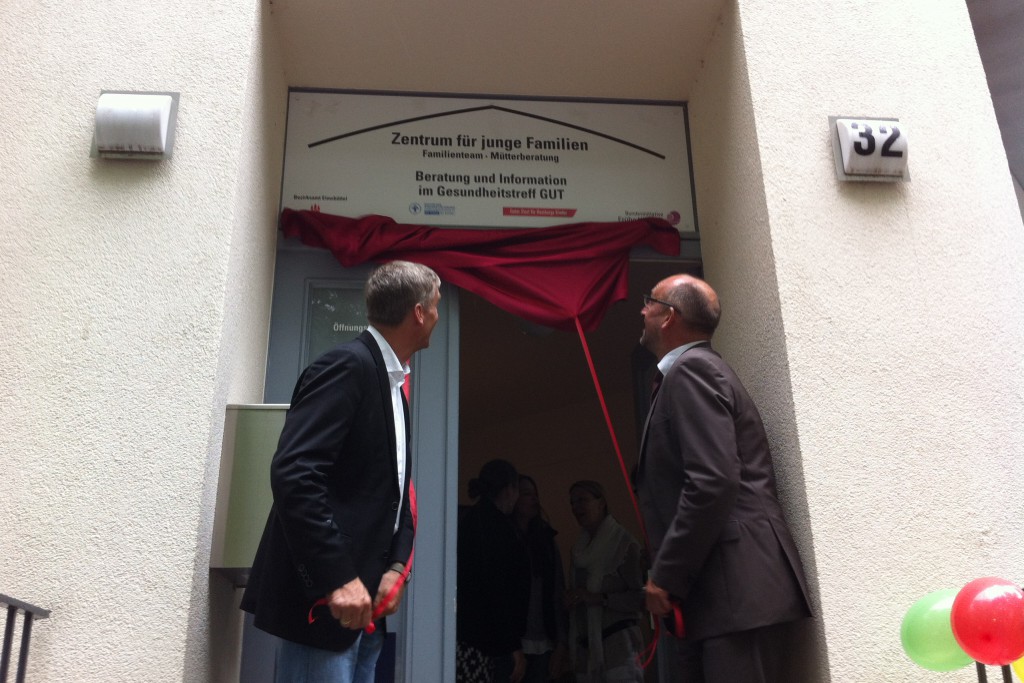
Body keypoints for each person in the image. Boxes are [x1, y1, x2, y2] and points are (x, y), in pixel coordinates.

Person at [240, 260, 442, 683]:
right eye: (437, 306)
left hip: (363, 614)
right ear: (419, 313)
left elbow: (397, 491)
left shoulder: (391, 385)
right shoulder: (347, 366)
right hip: (327, 608)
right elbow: (295, 473)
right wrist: (337, 579)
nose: (438, 317)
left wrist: (395, 566)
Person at [634, 274, 812, 682]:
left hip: (735, 596)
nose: (641, 309)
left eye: (649, 301)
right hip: (725, 598)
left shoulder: (692, 369)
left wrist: (666, 575)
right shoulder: (691, 371)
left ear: (668, 317)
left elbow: (713, 480)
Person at [457, 459, 531, 683]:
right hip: (490, 642)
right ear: (509, 489)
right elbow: (500, 589)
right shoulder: (500, 529)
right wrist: (513, 644)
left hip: (468, 636)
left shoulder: (470, 520)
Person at [565, 480, 645, 683]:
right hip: (587, 653)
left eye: (582, 500)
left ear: (601, 503)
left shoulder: (624, 545)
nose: (576, 508)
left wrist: (600, 598)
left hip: (619, 650)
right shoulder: (578, 551)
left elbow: (641, 598)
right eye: (572, 502)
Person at [512, 475, 568, 682]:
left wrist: (561, 642)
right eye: (527, 494)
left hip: (545, 641)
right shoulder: (506, 538)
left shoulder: (545, 539)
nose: (534, 500)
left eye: (536, 495)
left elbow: (557, 591)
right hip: (514, 642)